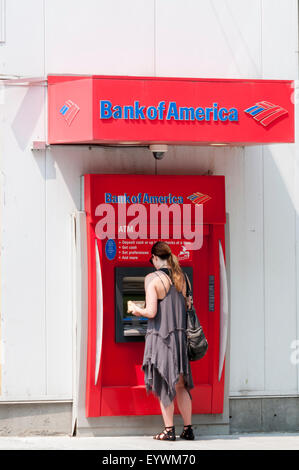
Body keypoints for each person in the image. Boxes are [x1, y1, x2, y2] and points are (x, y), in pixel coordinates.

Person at [127, 241, 195, 441]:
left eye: (151, 259)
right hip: (180, 338)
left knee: (165, 383)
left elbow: (151, 312)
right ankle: (188, 429)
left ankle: (169, 430)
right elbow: (189, 304)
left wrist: (134, 308)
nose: (151, 262)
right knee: (181, 385)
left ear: (155, 258)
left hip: (162, 338)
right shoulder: (183, 277)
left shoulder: (153, 278)